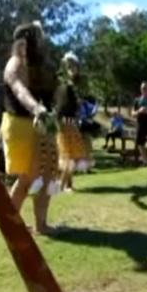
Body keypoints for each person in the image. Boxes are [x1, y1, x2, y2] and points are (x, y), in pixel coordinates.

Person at [1, 22, 60, 235]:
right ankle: (38, 226)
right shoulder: (15, 63)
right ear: (25, 42)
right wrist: (38, 109)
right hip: (23, 125)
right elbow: (19, 90)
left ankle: (11, 224)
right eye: (38, 38)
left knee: (32, 178)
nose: (41, 43)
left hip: (36, 123)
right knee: (37, 177)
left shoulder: (36, 66)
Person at [55, 52, 89, 193]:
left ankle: (65, 185)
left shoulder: (72, 82)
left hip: (69, 120)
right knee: (68, 154)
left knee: (71, 154)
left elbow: (75, 76)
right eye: (69, 65)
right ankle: (63, 186)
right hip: (64, 120)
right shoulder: (62, 81)